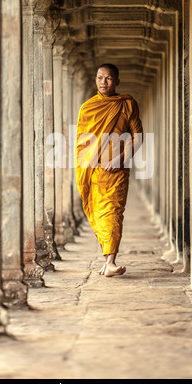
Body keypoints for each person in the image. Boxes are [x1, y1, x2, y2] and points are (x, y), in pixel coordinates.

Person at [75, 64, 143, 277]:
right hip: (95, 171)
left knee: (112, 212)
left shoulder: (127, 104)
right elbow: (81, 142)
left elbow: (138, 138)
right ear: (95, 81)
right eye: (100, 78)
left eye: (109, 78)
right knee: (98, 213)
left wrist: (120, 158)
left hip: (117, 170)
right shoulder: (88, 107)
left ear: (117, 81)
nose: (103, 82)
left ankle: (111, 261)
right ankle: (107, 262)